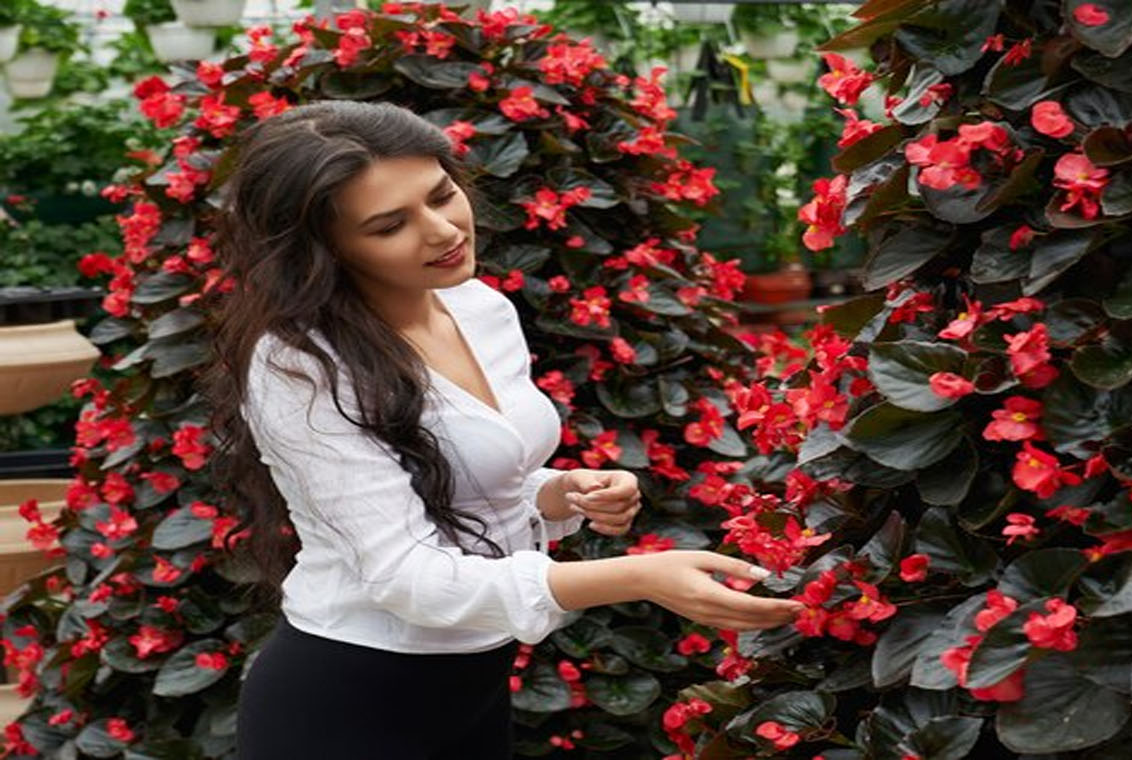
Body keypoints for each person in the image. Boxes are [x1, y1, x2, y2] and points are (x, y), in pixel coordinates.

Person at [204, 100, 802, 759]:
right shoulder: (301, 365)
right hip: (350, 698)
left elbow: (471, 484)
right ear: (324, 249)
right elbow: (407, 575)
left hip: (473, 686)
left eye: (441, 194)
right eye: (389, 225)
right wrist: (636, 577)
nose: (441, 231)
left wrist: (563, 493)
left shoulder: (478, 307)